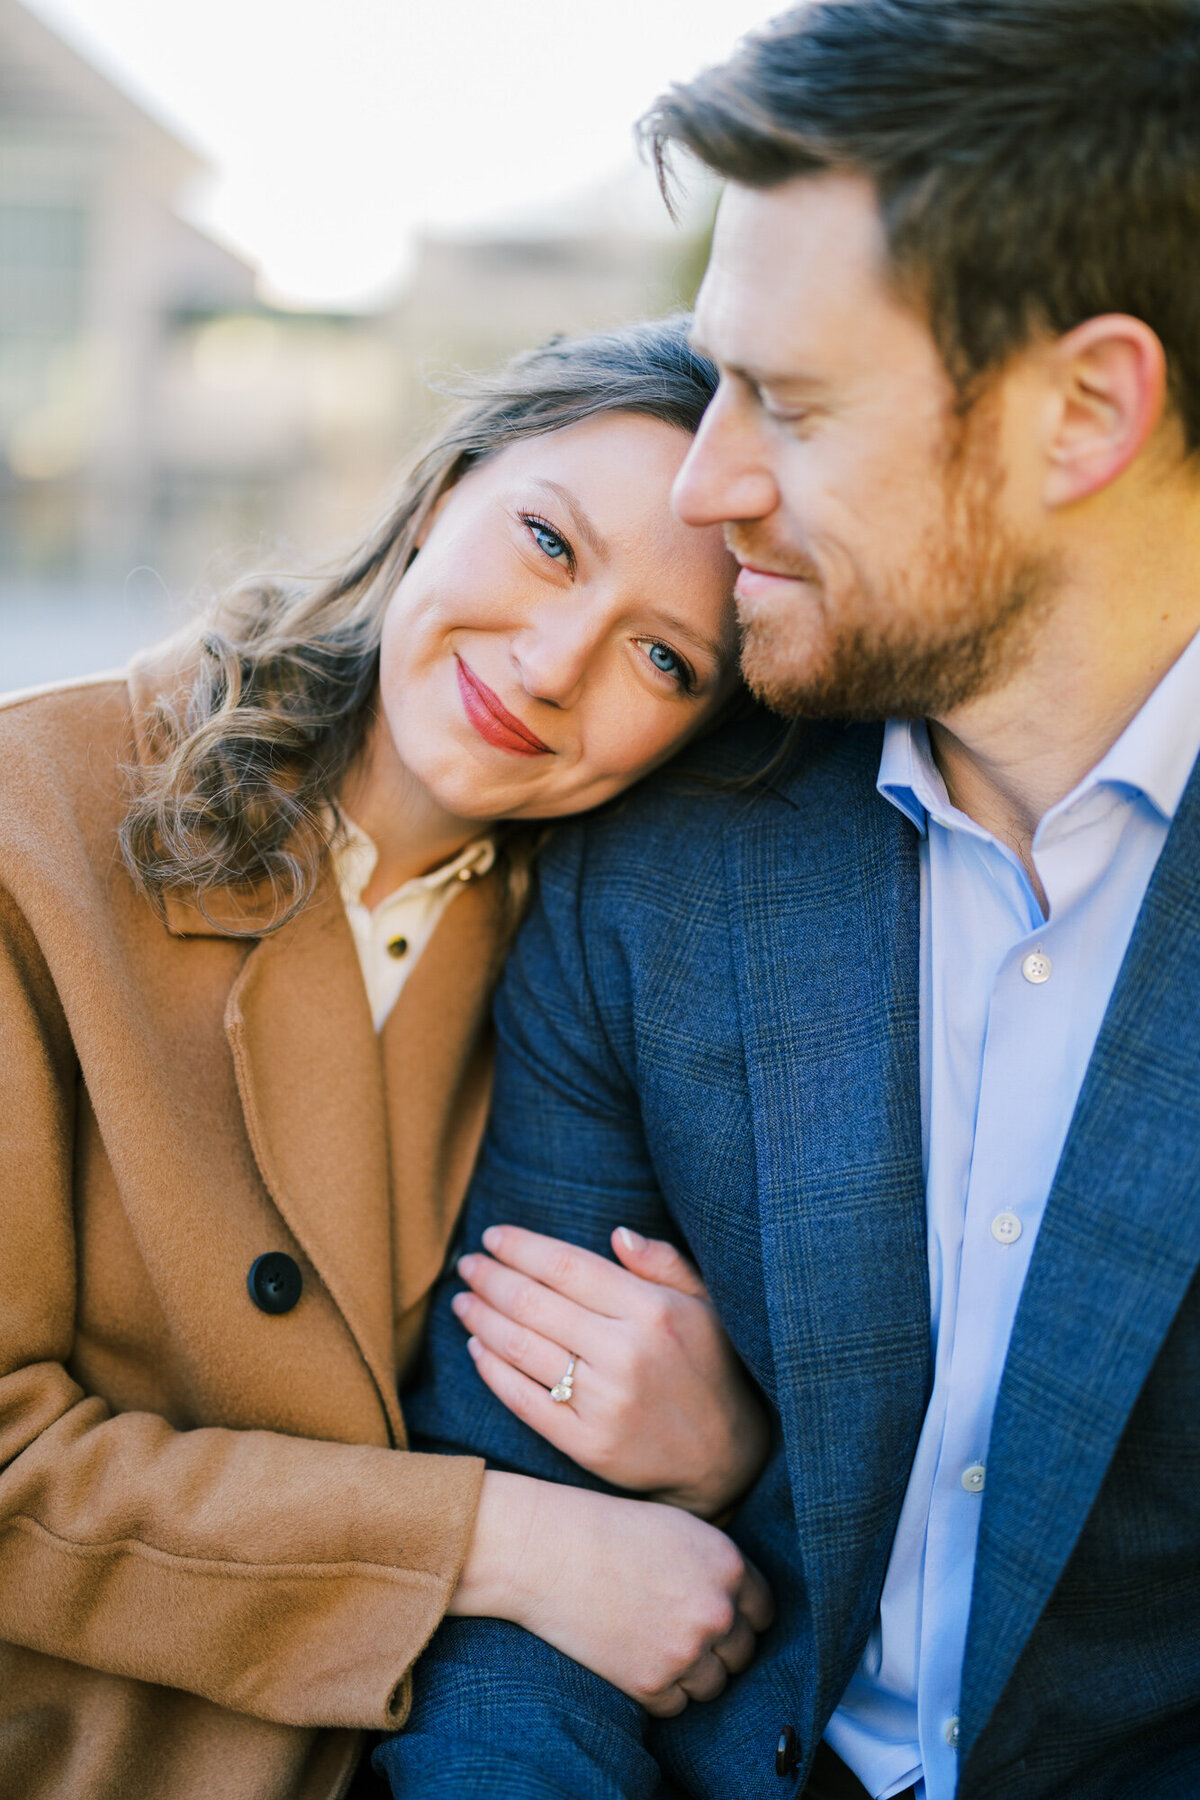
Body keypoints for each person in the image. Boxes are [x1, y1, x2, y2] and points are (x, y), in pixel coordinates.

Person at [374, 3, 1200, 1797]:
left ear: (1088, 412)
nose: (705, 477)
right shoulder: (670, 859)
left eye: (793, 404)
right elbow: (529, 1580)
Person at [0, 316, 779, 1800]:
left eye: (664, 658)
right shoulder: (31, 828)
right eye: (549, 542)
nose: (554, 666)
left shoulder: (584, 976)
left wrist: (713, 1450)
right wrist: (497, 1542)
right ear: (443, 494)